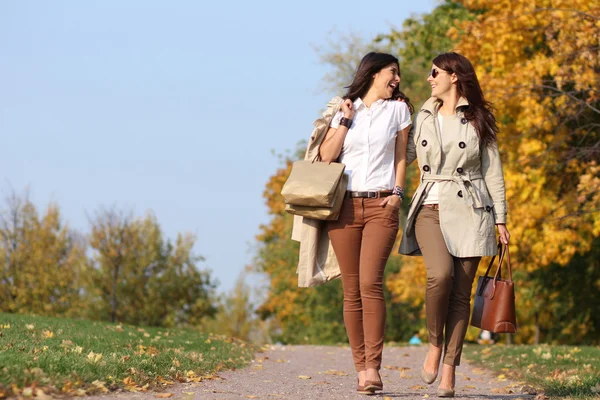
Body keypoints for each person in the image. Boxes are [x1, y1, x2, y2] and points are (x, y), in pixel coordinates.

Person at [398, 52, 510, 398]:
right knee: (440, 275)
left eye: (435, 73)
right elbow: (404, 154)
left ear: (454, 76)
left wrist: (502, 218)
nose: (430, 78)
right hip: (431, 203)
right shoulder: (424, 116)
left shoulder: (479, 119)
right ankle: (434, 343)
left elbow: (493, 171)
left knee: (461, 295)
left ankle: (449, 369)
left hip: (472, 210)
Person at [319, 52, 413, 395]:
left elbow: (402, 155)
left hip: (380, 205)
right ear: (373, 73)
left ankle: (373, 367)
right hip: (344, 208)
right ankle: (360, 369)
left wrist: (398, 193)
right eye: (393, 72)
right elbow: (328, 156)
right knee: (351, 291)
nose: (397, 79)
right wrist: (344, 120)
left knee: (371, 285)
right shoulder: (346, 108)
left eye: (398, 74)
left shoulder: (399, 110)